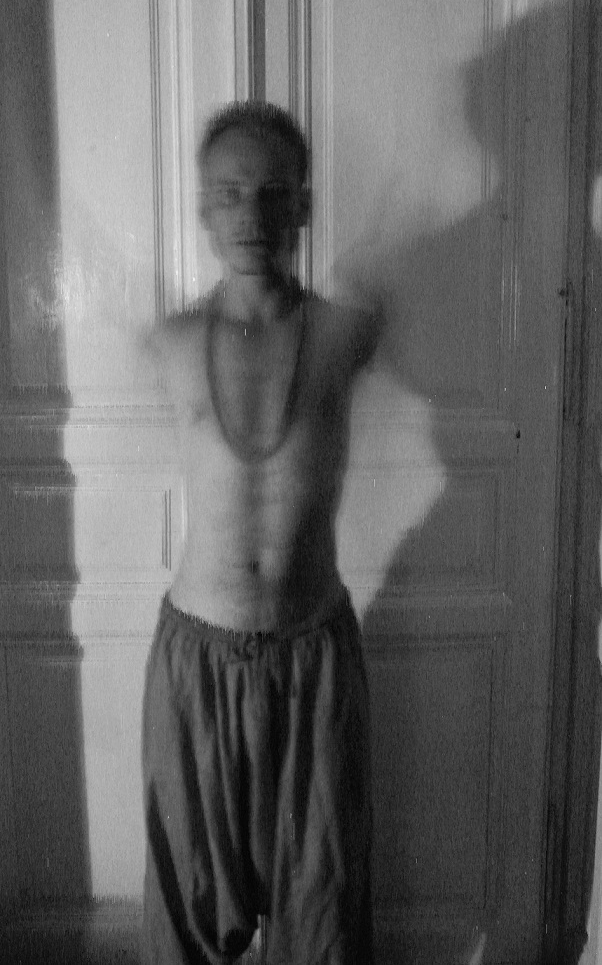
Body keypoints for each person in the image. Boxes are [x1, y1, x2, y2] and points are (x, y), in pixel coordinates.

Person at [141, 100, 381, 965]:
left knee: (322, 902)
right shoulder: (172, 340)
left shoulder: (344, 331)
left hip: (313, 657)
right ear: (204, 209)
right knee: (190, 903)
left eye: (275, 192)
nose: (252, 214)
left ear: (304, 206)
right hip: (197, 662)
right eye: (230, 192)